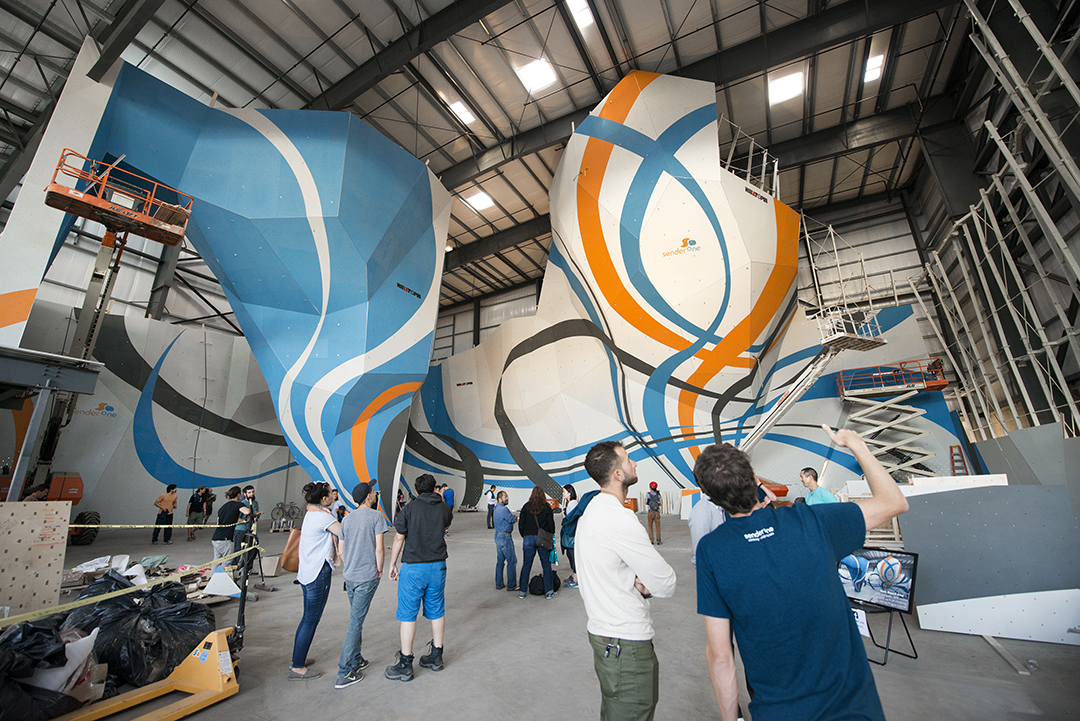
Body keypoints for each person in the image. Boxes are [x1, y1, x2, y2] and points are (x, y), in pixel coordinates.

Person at [696, 425, 909, 721]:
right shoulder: (812, 520)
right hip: (853, 708)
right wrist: (856, 444)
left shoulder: (712, 551)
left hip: (777, 711)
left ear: (712, 498)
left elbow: (720, 656)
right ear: (755, 479)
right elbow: (894, 502)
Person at [578, 441, 677, 721]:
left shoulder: (592, 512)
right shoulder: (620, 519)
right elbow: (666, 583)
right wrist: (645, 581)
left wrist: (633, 577)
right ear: (618, 475)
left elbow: (605, 566)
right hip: (627, 645)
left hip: (605, 636)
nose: (634, 463)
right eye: (628, 459)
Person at [385, 473, 454, 682]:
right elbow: (445, 526)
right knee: (437, 610)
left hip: (414, 567)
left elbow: (399, 538)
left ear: (416, 490)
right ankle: (436, 656)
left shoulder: (409, 509)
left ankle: (406, 664)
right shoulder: (444, 508)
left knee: (408, 614)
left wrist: (392, 563)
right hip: (438, 566)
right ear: (434, 488)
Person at [336, 481, 389, 689]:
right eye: (373, 491)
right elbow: (379, 549)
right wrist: (379, 570)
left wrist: (350, 566)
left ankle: (357, 659)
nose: (375, 493)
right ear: (368, 496)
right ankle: (344, 671)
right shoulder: (376, 516)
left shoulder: (347, 519)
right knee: (355, 623)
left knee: (356, 618)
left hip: (350, 577)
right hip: (367, 577)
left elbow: (340, 551)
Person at [289, 482, 343, 680]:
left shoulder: (312, 514)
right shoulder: (322, 517)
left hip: (308, 572)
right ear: (324, 498)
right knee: (311, 620)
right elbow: (344, 532)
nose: (333, 497)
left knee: (307, 619)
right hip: (317, 573)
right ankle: (297, 667)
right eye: (330, 494)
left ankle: (299, 658)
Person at [517, 486, 556, 599]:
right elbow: (551, 525)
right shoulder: (547, 507)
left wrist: (524, 535)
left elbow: (521, 524)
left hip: (528, 538)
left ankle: (522, 591)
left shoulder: (526, 507)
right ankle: (549, 591)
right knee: (546, 565)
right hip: (542, 539)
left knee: (526, 565)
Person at [212, 487, 249, 563]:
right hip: (225, 539)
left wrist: (243, 521)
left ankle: (215, 571)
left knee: (217, 560)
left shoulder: (222, 508)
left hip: (216, 538)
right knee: (227, 560)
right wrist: (251, 513)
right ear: (238, 495)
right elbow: (246, 512)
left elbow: (218, 522)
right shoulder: (238, 505)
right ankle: (222, 571)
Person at [234, 485, 262, 572]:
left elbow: (255, 515)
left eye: (252, 492)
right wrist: (246, 520)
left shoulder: (255, 503)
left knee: (253, 548)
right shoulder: (241, 504)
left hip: (252, 529)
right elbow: (236, 518)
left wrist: (257, 516)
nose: (251, 494)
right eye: (249, 492)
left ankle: (248, 568)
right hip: (241, 529)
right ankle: (234, 567)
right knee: (238, 549)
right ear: (244, 494)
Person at [493, 491, 517, 591]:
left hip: (498, 537)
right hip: (505, 537)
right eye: (505, 497)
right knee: (511, 561)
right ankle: (511, 585)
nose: (507, 498)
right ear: (500, 499)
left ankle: (499, 583)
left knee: (500, 561)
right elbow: (512, 519)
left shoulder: (496, 509)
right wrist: (515, 517)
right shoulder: (504, 509)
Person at [560, 484, 580, 588]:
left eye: (564, 492)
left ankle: (576, 580)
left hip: (571, 535)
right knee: (570, 555)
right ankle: (573, 576)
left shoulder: (572, 504)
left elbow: (570, 521)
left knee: (572, 557)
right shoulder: (572, 503)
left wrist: (564, 515)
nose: (563, 494)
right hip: (572, 535)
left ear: (569, 493)